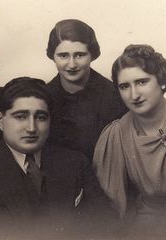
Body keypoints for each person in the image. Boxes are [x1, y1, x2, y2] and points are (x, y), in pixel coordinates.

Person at [0, 77, 113, 238]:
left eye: (41, 117)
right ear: (0, 120)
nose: (31, 127)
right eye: (20, 116)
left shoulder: (75, 163)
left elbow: (106, 226)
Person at [92, 44, 166, 233]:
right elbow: (111, 208)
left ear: (161, 82)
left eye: (142, 82)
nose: (134, 95)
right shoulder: (116, 135)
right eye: (124, 86)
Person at [46, 19, 127, 161]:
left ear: (92, 55)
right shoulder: (44, 97)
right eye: (63, 55)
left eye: (80, 55)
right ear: (53, 56)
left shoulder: (115, 96)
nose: (72, 64)